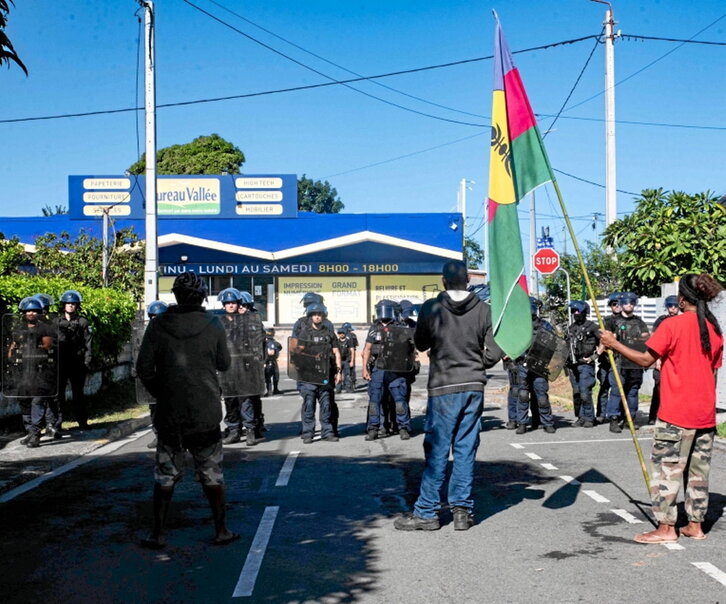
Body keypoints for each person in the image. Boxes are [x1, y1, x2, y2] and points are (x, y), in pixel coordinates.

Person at [599, 273, 723, 544]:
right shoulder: (713, 329)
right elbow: (712, 372)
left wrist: (614, 344)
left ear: (681, 298)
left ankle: (667, 528)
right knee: (698, 473)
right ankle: (695, 525)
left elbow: (645, 359)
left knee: (666, 469)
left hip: (677, 412)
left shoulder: (672, 325)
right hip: (705, 414)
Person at [394, 260, 502, 531]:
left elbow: (421, 343)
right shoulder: (485, 310)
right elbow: (492, 354)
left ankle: (427, 512)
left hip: (443, 387)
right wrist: (473, 359)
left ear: (443, 281)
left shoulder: (432, 307)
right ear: (468, 280)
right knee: (466, 448)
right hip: (473, 386)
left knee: (438, 449)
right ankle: (462, 512)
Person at [136, 271, 238, 549]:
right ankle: (221, 530)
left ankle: (157, 533)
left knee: (165, 475)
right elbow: (224, 364)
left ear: (176, 295)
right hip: (205, 414)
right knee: (212, 474)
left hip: (169, 414)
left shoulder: (158, 326)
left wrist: (164, 392)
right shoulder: (214, 323)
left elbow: (143, 369)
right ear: (203, 296)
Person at [6, 297, 56, 448]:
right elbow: (12, 348)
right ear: (23, 312)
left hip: (40, 373)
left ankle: (35, 434)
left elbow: (48, 347)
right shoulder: (19, 329)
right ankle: (29, 431)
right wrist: (11, 356)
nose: (31, 313)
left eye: (34, 310)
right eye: (28, 311)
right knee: (25, 402)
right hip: (23, 373)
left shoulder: (45, 328)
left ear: (40, 312)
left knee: (37, 402)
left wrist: (36, 350)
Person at [361, 299, 414, 441]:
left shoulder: (400, 326)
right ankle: (373, 428)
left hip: (395, 368)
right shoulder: (374, 328)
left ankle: (403, 427)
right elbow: (367, 349)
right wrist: (364, 368)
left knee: (399, 399)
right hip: (378, 368)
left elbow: (409, 348)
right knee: (375, 399)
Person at [290, 302, 342, 443]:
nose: (317, 317)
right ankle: (308, 433)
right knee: (309, 404)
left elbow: (336, 352)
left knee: (326, 405)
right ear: (310, 316)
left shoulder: (329, 333)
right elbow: (298, 351)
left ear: (323, 316)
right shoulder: (305, 333)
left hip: (326, 374)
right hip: (309, 375)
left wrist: (338, 371)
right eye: (314, 314)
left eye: (320, 314)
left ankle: (328, 432)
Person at [605, 292, 649, 433]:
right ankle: (614, 418)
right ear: (621, 304)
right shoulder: (613, 321)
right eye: (626, 302)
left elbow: (645, 338)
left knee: (633, 392)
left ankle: (631, 419)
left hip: (635, 362)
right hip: (619, 361)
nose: (629, 305)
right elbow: (606, 338)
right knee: (617, 391)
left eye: (631, 302)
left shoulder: (639, 322)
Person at [512, 299, 557, 435]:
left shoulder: (545, 326)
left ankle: (547, 422)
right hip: (523, 364)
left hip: (539, 365)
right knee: (523, 395)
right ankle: (522, 423)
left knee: (541, 396)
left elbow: (553, 344)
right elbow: (513, 344)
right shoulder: (519, 326)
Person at [53, 290, 92, 431]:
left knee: (78, 395)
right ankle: (57, 424)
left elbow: (88, 343)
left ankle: (82, 422)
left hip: (77, 363)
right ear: (63, 305)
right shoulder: (56, 322)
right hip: (61, 363)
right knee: (58, 396)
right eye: (68, 303)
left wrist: (87, 362)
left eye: (73, 304)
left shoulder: (82, 322)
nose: (71, 306)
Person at [566, 301, 599, 428]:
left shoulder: (593, 327)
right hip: (573, 365)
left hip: (586, 365)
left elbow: (604, 342)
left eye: (577, 311)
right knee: (577, 392)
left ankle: (590, 417)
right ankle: (580, 417)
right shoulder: (571, 328)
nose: (575, 314)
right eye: (573, 311)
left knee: (585, 392)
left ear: (584, 312)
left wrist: (594, 356)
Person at [648, 295, 680, 424]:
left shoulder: (681, 320)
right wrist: (657, 359)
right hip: (661, 358)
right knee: (658, 388)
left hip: (675, 360)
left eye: (675, 306)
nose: (673, 309)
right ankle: (653, 416)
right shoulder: (661, 320)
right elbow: (654, 339)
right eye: (670, 306)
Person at [145, 300, 169, 449]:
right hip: (153, 377)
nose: (156, 319)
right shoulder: (145, 333)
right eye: (153, 316)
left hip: (170, 377)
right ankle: (158, 434)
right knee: (154, 408)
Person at [595, 292, 621, 423]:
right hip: (606, 360)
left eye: (618, 304)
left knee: (619, 388)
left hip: (621, 360)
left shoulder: (628, 320)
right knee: (604, 387)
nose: (616, 306)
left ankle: (617, 414)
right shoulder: (606, 320)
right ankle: (601, 413)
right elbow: (603, 338)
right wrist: (598, 353)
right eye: (614, 304)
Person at [263, 327, 283, 396]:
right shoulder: (269, 342)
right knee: (269, 376)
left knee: (275, 375)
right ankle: (270, 391)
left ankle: (275, 389)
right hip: (269, 361)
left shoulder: (270, 341)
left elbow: (279, 347)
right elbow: (271, 352)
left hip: (271, 361)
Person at [335, 327, 353, 394]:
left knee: (347, 375)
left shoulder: (349, 341)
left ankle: (348, 388)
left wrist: (352, 361)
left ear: (345, 333)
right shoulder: (336, 342)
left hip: (346, 361)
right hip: (338, 361)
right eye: (339, 333)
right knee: (338, 374)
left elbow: (352, 350)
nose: (341, 334)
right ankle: (338, 388)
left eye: (342, 333)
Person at [342, 322, 358, 391]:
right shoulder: (353, 335)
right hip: (352, 353)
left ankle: (346, 385)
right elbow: (356, 345)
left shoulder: (344, 335)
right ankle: (352, 384)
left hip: (345, 354)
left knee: (344, 371)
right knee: (352, 369)